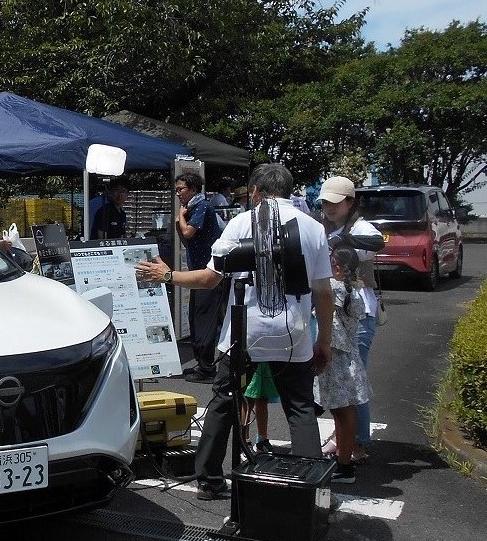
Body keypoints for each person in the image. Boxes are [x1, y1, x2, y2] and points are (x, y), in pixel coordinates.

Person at [136, 163, 333, 500]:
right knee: (300, 407)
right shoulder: (314, 228)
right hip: (294, 332)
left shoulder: (242, 223)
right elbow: (324, 292)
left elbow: (210, 278)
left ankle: (209, 480)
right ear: (288, 191)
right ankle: (311, 490)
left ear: (255, 192)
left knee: (224, 401)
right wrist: (324, 340)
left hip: (245, 330)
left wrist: (167, 276)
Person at [318, 175, 385, 463]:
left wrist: (345, 239)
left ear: (350, 202)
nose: (329, 207)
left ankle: (357, 442)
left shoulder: (360, 227)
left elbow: (378, 242)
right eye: (325, 202)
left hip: (358, 314)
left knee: (353, 382)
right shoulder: (324, 227)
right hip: (333, 315)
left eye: (336, 202)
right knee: (340, 383)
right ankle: (342, 437)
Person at [314, 245, 372, 484]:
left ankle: (345, 465)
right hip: (348, 360)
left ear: (337, 268)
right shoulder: (353, 292)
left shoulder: (334, 290)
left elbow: (332, 333)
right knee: (343, 413)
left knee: (342, 413)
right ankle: (342, 459)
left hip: (336, 360)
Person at [173, 172, 224, 382]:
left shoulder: (202, 206)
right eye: (176, 190)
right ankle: (201, 364)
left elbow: (187, 233)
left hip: (208, 273)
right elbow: (185, 238)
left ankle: (207, 368)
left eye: (181, 189)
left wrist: (181, 216)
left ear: (193, 189)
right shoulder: (192, 208)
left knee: (204, 319)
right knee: (195, 318)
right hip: (198, 271)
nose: (178, 193)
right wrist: (181, 219)